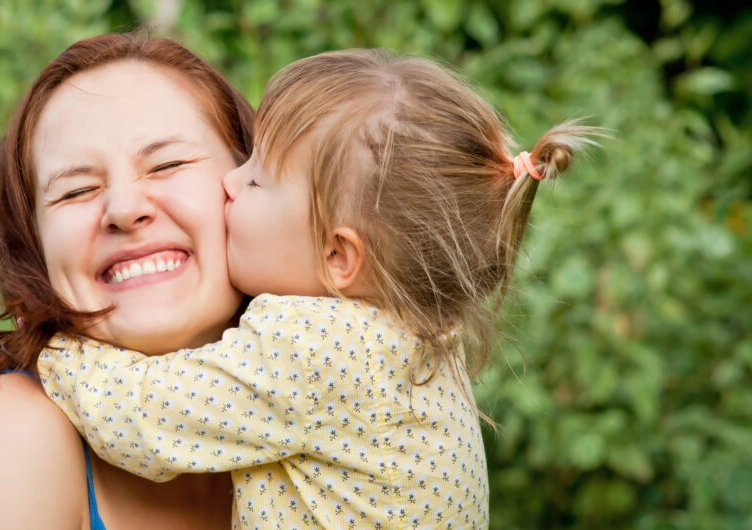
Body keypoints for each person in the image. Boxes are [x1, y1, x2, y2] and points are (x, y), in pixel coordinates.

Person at [37, 50, 600, 529]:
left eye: (256, 178)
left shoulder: (314, 347)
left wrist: (55, 346)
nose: (228, 183)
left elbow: (138, 420)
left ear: (338, 255)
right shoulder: (422, 341)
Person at [0, 33, 255, 529]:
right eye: (77, 191)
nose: (125, 210)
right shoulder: (3, 431)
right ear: (34, 250)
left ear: (254, 184)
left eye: (168, 164)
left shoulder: (363, 384)